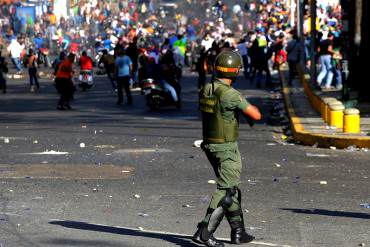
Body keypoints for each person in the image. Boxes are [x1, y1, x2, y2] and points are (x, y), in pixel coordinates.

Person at [194, 50, 261, 247]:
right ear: (235, 71)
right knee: (226, 191)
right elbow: (255, 115)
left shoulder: (207, 88)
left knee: (232, 189)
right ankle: (204, 232)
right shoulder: (231, 94)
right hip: (226, 148)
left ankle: (238, 232)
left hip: (210, 145)